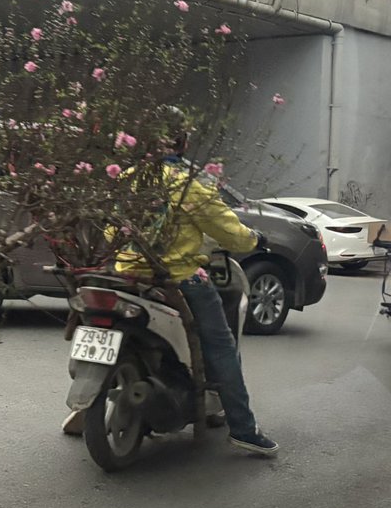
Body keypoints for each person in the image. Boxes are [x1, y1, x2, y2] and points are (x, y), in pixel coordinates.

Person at [63, 125, 278, 457]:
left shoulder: (128, 178)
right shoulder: (190, 183)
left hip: (128, 276)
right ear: (184, 143)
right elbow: (229, 231)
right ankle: (244, 429)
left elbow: (110, 231)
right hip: (179, 278)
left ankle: (86, 407)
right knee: (221, 348)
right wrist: (256, 239)